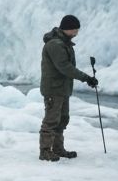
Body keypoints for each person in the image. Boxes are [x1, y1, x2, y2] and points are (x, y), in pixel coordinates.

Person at [38, 14, 98, 161]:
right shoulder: (55, 45)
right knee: (51, 120)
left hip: (62, 88)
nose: (76, 33)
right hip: (54, 89)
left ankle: (58, 149)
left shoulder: (64, 43)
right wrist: (86, 78)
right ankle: (45, 151)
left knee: (62, 119)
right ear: (67, 28)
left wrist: (86, 78)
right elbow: (65, 67)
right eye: (75, 30)